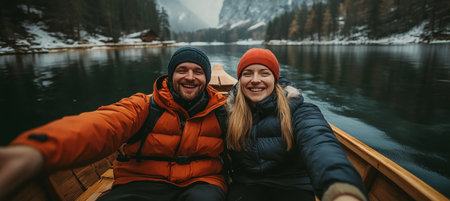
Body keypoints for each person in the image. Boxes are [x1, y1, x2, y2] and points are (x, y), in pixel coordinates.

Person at [0, 47, 228, 201]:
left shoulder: (221, 111)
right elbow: (102, 125)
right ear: (170, 76)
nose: (190, 77)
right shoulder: (143, 105)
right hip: (141, 180)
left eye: (198, 71)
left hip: (201, 182)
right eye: (182, 70)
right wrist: (39, 151)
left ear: (206, 79)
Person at [225, 48, 368, 201]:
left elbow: (321, 144)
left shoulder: (300, 111)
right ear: (240, 81)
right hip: (246, 185)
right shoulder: (228, 112)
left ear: (275, 79)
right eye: (247, 73)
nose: (255, 79)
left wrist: (341, 190)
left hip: (293, 186)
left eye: (264, 73)